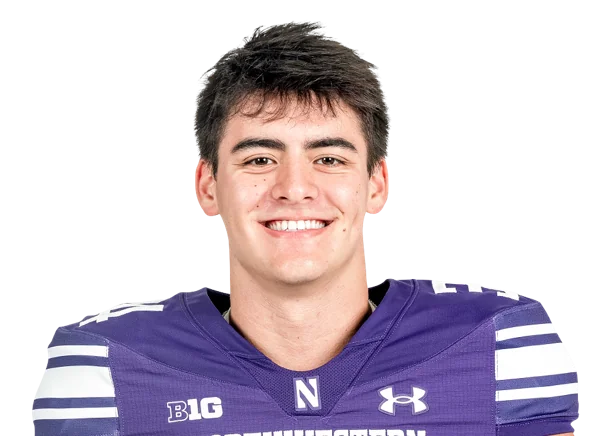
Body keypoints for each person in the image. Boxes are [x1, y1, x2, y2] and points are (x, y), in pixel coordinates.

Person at [33, 20, 578, 435]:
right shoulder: (104, 364)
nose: (294, 187)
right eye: (260, 159)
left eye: (329, 158)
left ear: (377, 184)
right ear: (208, 186)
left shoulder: (497, 342)